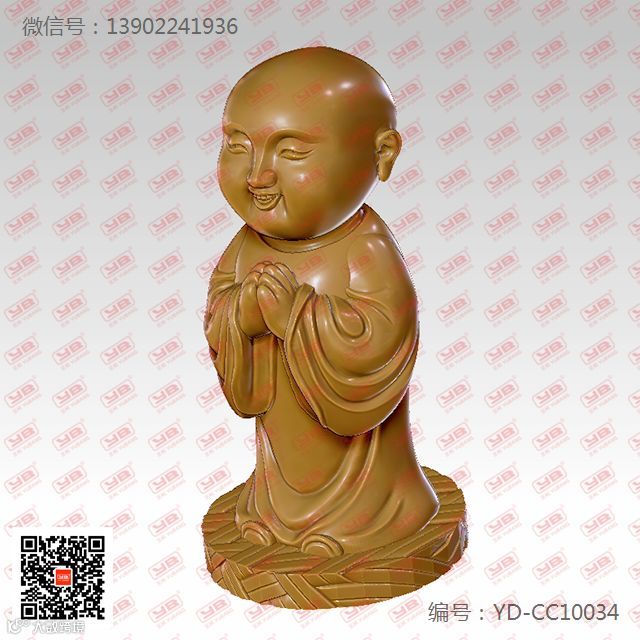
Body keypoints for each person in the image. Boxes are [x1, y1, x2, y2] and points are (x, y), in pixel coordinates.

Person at [204, 46, 439, 557]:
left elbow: (385, 334)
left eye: (291, 152)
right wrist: (241, 315)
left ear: (382, 154)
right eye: (238, 145)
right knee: (281, 468)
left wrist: (296, 316)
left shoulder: (364, 246)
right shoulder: (246, 245)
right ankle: (273, 513)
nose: (257, 176)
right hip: (282, 440)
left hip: (362, 467)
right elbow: (220, 311)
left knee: (354, 479)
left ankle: (370, 518)